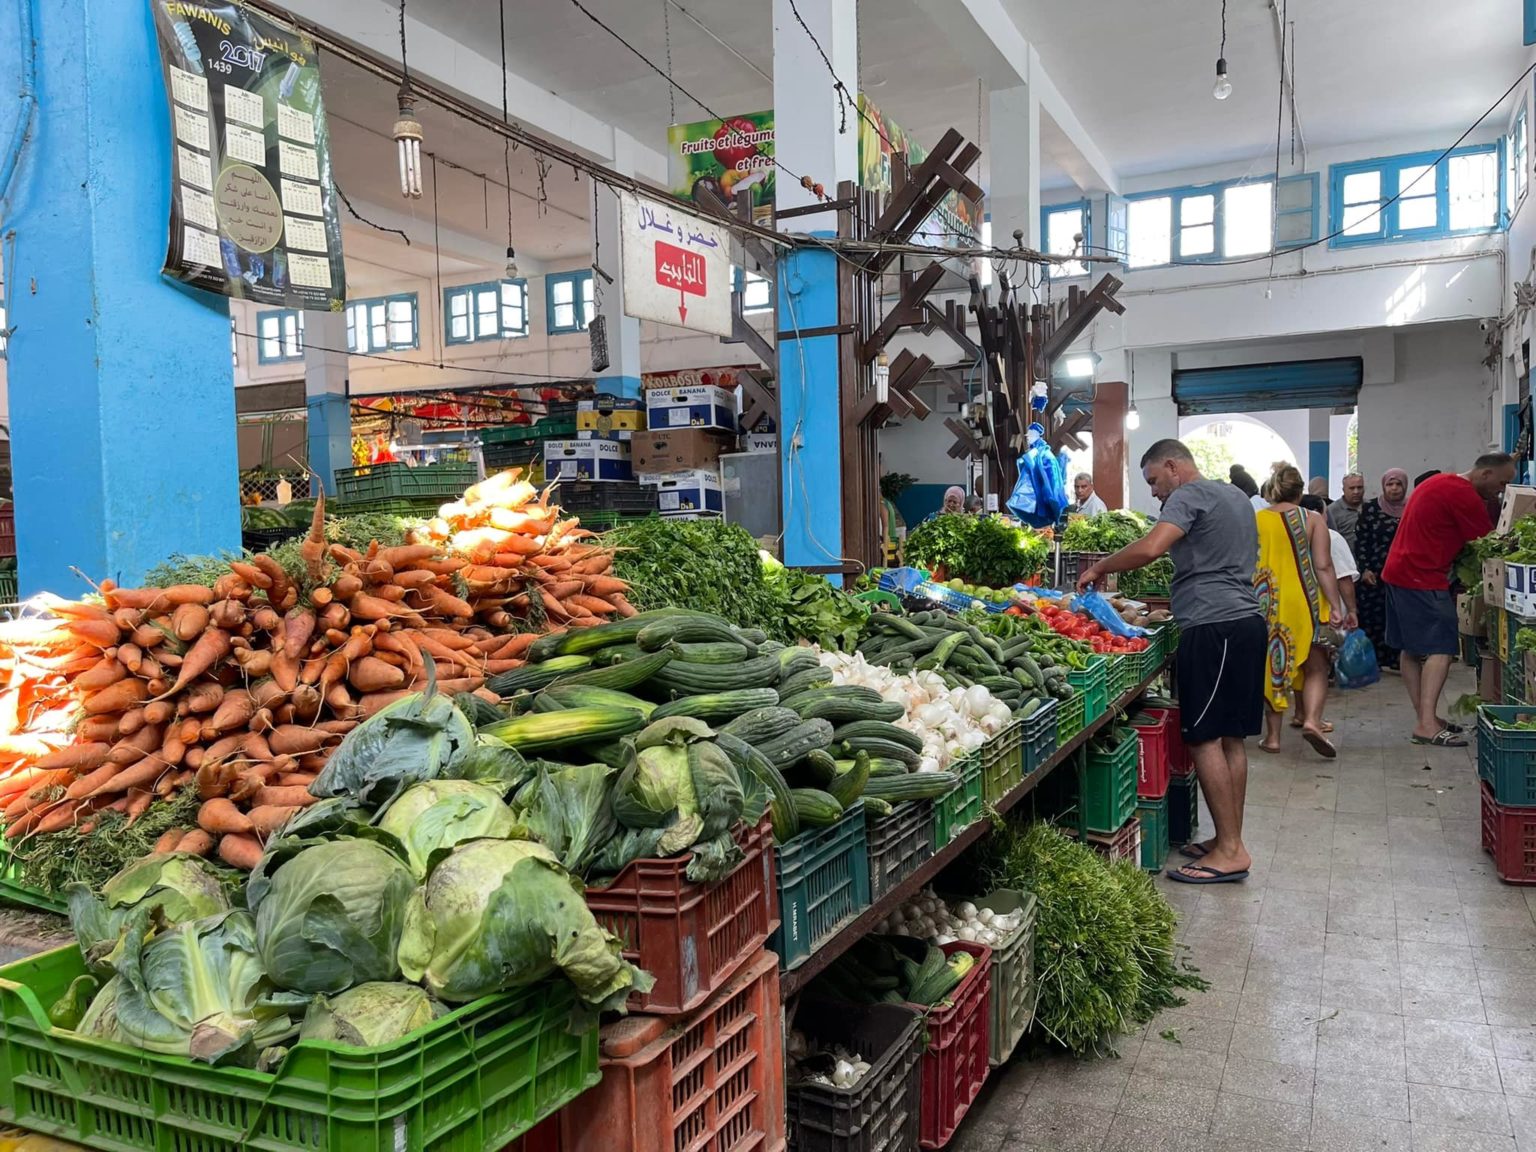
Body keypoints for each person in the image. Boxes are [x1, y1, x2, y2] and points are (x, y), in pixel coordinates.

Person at [1078, 439, 1263, 885]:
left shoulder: (1189, 494)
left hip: (1213, 624)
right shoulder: (1235, 496)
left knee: (1202, 738)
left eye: (1155, 482)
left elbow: (1153, 547)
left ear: (1173, 466)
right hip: (1244, 621)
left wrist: (1101, 566)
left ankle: (1232, 850)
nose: (1157, 493)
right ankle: (1227, 839)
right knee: (1230, 737)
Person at [1383, 453, 1516, 746]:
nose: (1501, 490)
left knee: (1410, 649)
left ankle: (1424, 719)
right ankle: (1427, 724)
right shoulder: (1462, 494)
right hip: (1422, 576)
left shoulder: (1441, 481)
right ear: (1485, 474)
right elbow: (1488, 542)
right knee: (1442, 648)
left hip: (1398, 571)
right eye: (1502, 482)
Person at [1256, 469, 1347, 758]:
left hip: (1266, 601)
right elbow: (1323, 566)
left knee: (1273, 667)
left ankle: (1272, 738)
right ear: (1299, 491)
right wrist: (1335, 605)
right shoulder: (1313, 519)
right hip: (1306, 602)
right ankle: (1311, 720)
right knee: (1316, 667)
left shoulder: (1256, 520)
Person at [1355, 469, 1409, 672]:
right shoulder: (1370, 509)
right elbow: (1361, 540)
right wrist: (1364, 569)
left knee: (1398, 617)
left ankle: (1397, 659)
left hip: (1403, 574)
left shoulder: (1412, 507)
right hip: (1375, 575)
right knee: (1373, 618)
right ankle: (1374, 660)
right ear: (1383, 486)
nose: (1394, 489)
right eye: (1390, 484)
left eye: (1398, 485)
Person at [1327, 473, 1366, 551]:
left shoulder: (1370, 507)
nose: (1356, 492)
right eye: (1352, 488)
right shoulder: (1332, 511)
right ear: (1343, 489)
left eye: (1359, 487)